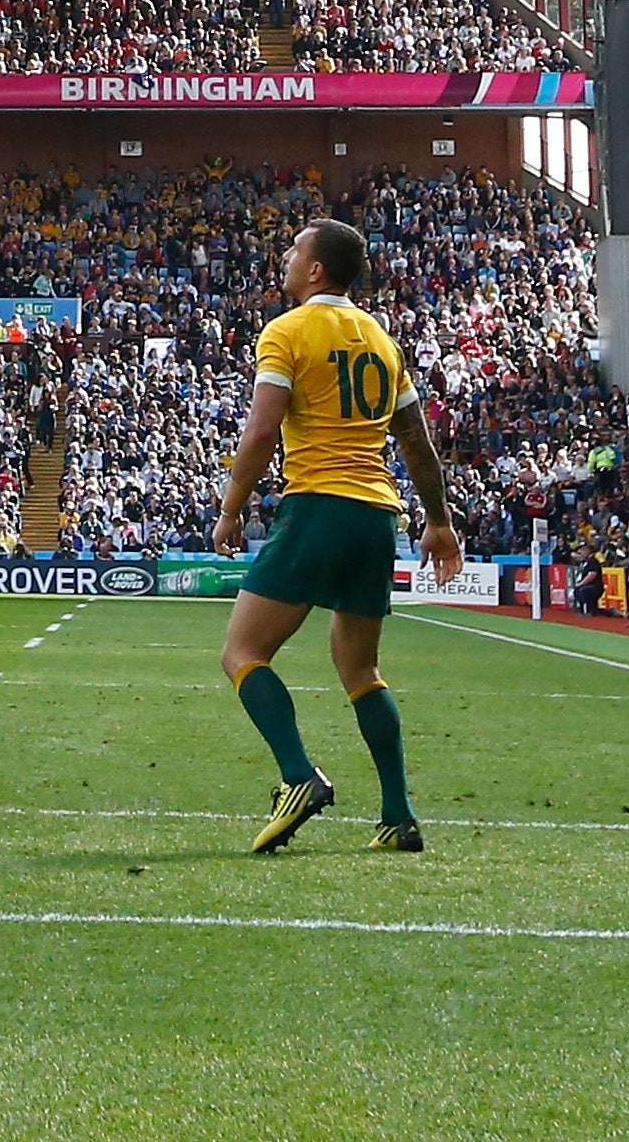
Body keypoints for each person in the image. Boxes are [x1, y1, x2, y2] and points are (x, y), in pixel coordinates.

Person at [212, 216, 465, 855]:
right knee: (360, 668)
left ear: (316, 269)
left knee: (242, 653)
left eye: (296, 250)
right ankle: (397, 813)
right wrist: (438, 521)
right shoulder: (382, 340)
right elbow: (418, 443)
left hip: (318, 505)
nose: (287, 258)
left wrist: (232, 507)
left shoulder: (289, 331)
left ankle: (298, 776)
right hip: (377, 514)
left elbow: (263, 431)